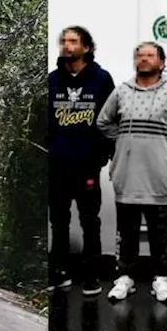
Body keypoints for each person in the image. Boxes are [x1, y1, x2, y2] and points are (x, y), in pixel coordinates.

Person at [96, 41, 167, 304]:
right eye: (139, 56)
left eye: (150, 56)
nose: (143, 59)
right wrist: (122, 140)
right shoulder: (121, 91)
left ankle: (161, 279)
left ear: (162, 63)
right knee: (127, 229)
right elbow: (103, 122)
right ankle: (125, 277)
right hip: (127, 175)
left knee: (160, 232)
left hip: (159, 176)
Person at [49, 26, 115, 296]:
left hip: (86, 165)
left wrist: (101, 156)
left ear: (86, 47)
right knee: (59, 221)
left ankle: (91, 275)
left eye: (73, 41)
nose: (67, 46)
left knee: (90, 221)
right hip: (57, 166)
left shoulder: (101, 80)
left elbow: (112, 120)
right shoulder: (52, 80)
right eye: (64, 41)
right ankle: (59, 272)